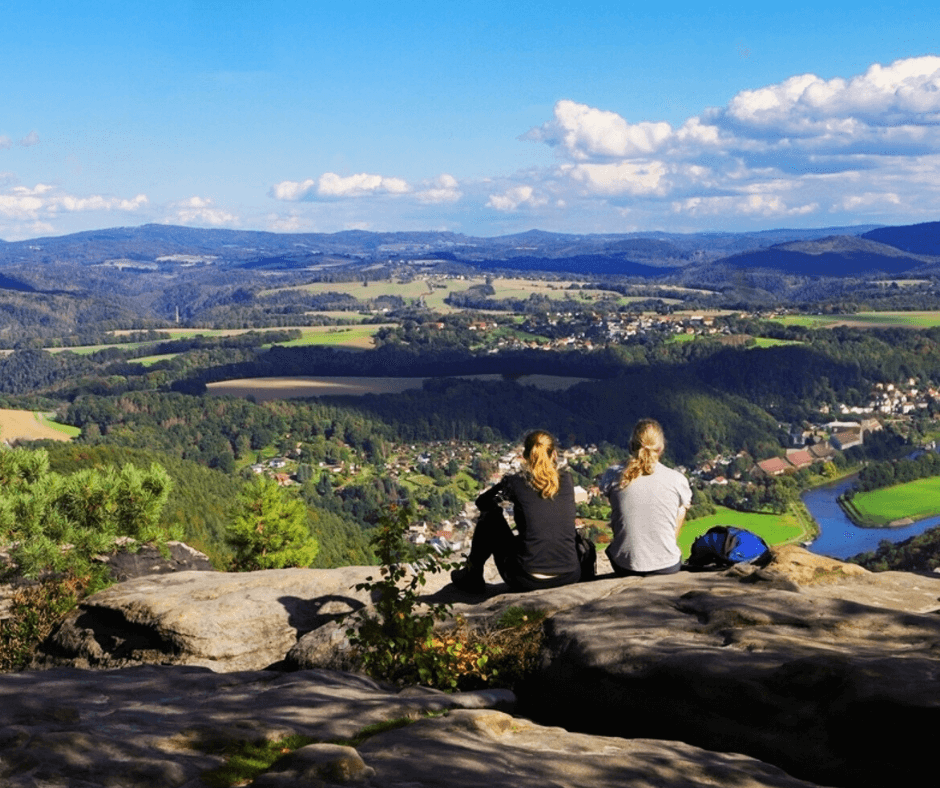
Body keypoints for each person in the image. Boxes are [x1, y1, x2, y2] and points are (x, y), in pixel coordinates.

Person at [451, 430, 581, 594]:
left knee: (490, 517)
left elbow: (482, 503)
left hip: (527, 578)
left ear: (526, 456)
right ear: (554, 455)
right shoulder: (567, 479)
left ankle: (472, 573)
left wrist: (504, 491)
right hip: (569, 574)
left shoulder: (516, 482)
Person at [599, 418, 691, 577]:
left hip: (625, 565)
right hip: (667, 565)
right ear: (661, 448)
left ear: (631, 445)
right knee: (682, 506)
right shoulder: (677, 479)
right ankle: (664, 547)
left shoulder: (613, 474)